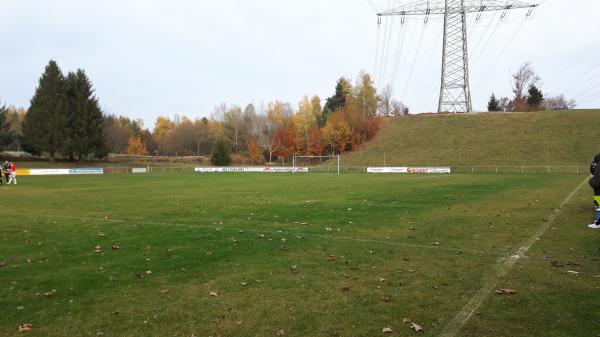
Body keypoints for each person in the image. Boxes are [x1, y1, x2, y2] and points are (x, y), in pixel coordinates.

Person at [588, 154, 600, 229]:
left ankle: (598, 220)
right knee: (597, 202)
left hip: (597, 187)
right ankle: (598, 218)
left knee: (597, 202)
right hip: (597, 186)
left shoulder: (596, 163)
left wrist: (591, 180)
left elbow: (595, 179)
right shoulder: (595, 163)